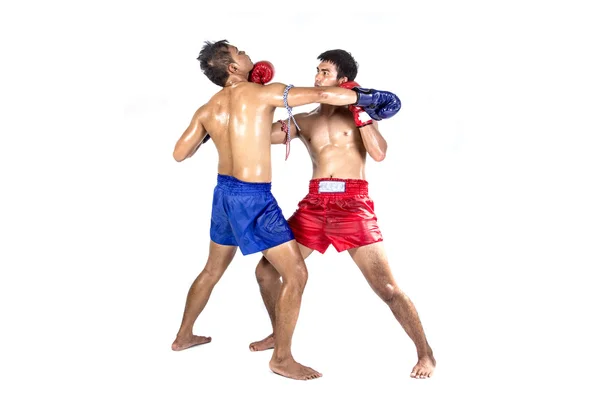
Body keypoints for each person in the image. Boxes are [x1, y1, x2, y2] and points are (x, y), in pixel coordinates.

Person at [170, 40, 401, 381]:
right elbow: (323, 96)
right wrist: (371, 98)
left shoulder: (208, 109)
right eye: (240, 52)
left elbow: (180, 153)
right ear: (233, 68)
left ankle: (183, 336)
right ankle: (282, 357)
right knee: (296, 275)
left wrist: (218, 132)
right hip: (253, 199)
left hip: (223, 195)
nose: (247, 52)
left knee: (212, 270)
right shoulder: (264, 93)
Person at [248, 49, 436, 379]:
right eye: (317, 71)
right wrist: (254, 98)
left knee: (388, 289)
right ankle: (280, 336)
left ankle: (426, 353)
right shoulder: (304, 120)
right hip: (314, 207)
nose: (318, 77)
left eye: (325, 72)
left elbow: (378, 154)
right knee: (265, 271)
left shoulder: (360, 114)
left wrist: (363, 115)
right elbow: (258, 138)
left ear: (343, 80)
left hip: (353, 206)